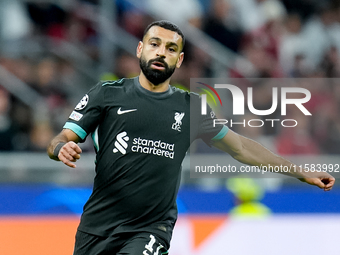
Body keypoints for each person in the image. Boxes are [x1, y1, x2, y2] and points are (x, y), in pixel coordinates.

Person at [47, 20, 335, 255]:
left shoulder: (191, 107)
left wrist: (299, 172)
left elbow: (241, 147)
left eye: (171, 48)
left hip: (150, 229)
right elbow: (59, 138)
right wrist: (62, 147)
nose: (161, 52)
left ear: (180, 59)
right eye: (155, 44)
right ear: (139, 49)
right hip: (96, 227)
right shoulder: (107, 94)